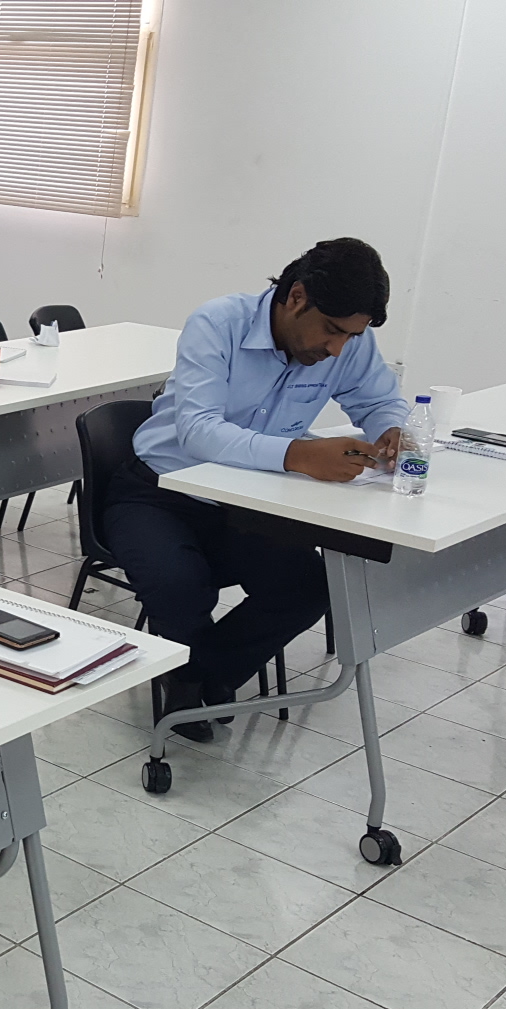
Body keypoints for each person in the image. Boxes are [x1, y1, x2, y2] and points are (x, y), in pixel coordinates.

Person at [105, 238, 410, 742]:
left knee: (308, 588)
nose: (338, 349)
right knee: (181, 585)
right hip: (159, 491)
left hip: (252, 500)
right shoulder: (218, 323)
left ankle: (199, 677)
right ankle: (194, 686)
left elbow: (379, 400)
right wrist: (300, 455)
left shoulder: (349, 341)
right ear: (297, 297)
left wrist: (392, 431)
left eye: (351, 337)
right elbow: (199, 431)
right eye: (332, 331)